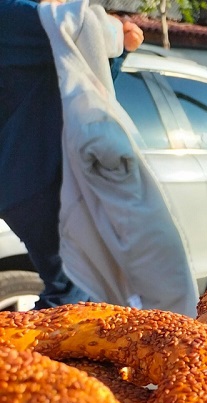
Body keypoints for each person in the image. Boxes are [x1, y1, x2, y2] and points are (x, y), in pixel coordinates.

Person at [0, 0, 143, 309]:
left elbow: (90, 83)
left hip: (32, 178)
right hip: (39, 178)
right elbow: (84, 28)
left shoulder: (31, 31)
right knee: (73, 294)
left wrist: (122, 49)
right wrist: (118, 32)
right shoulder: (18, 17)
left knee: (81, 291)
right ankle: (28, 358)